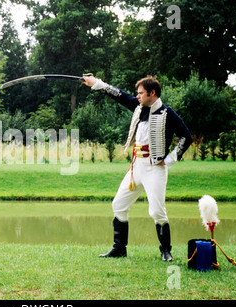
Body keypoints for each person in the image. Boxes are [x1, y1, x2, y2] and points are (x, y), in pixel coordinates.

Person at [82, 75, 193, 261]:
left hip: (155, 169)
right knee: (118, 204)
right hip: (136, 167)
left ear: (153, 93)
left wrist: (170, 159)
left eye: (141, 93)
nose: (137, 96)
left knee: (157, 211)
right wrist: (97, 84)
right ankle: (119, 249)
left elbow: (186, 137)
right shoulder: (139, 107)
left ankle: (166, 251)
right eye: (138, 93)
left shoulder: (167, 113)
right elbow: (120, 95)